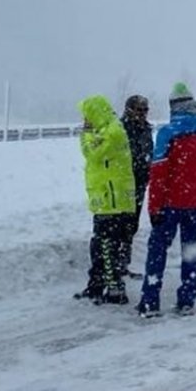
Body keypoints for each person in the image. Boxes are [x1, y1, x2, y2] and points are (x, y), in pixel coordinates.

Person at [137, 83, 196, 317]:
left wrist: (154, 207)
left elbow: (158, 173)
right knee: (191, 249)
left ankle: (151, 301)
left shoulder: (168, 133)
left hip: (170, 203)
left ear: (173, 105)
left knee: (158, 250)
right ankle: (187, 300)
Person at [74, 95, 137, 305]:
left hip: (113, 201)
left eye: (87, 115)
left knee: (108, 246)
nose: (85, 120)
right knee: (101, 245)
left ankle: (115, 289)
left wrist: (85, 134)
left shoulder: (113, 132)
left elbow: (92, 154)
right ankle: (97, 286)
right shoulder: (109, 130)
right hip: (107, 199)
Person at [119, 95, 153, 279]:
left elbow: (150, 152)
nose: (142, 114)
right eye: (139, 110)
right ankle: (115, 265)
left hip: (140, 182)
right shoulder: (120, 129)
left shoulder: (146, 129)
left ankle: (123, 264)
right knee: (120, 224)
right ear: (129, 109)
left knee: (132, 225)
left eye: (145, 110)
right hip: (123, 183)